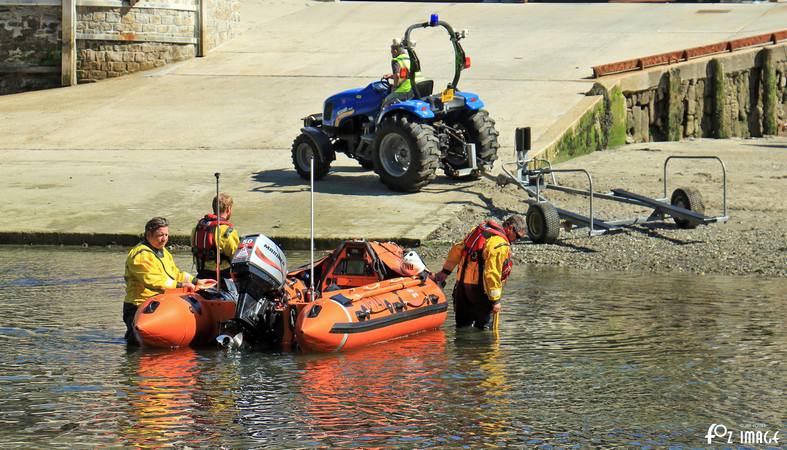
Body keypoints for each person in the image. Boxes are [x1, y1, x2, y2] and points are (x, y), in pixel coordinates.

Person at [433, 216, 526, 330]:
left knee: (462, 327)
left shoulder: (478, 231)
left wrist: (445, 272)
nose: (516, 240)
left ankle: (462, 347)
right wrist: (495, 301)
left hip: (461, 289)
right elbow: (492, 273)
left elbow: (457, 250)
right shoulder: (500, 244)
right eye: (517, 236)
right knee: (484, 331)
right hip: (480, 293)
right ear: (510, 228)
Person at [123, 217, 202, 344]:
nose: (164, 239)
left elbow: (175, 273)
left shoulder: (163, 252)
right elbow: (152, 280)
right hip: (139, 305)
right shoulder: (140, 255)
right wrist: (180, 285)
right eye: (160, 235)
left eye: (166, 235)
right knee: (136, 344)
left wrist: (196, 281)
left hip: (160, 302)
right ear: (149, 235)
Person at [191, 193, 240, 283]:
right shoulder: (227, 231)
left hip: (201, 275)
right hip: (222, 276)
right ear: (229, 209)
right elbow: (236, 257)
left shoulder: (197, 229)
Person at [381, 38, 423, 108]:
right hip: (418, 86)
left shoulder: (396, 60)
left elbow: (397, 76)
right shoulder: (410, 58)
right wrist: (391, 76)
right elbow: (406, 73)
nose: (391, 53)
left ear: (395, 51)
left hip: (406, 90)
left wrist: (394, 87)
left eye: (391, 52)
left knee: (386, 101)